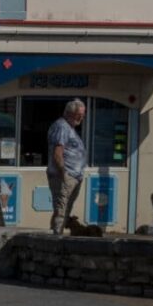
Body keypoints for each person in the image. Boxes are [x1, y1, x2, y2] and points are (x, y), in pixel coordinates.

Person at [46, 99, 89, 235]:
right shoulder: (62, 126)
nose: (82, 118)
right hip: (65, 175)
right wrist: (64, 173)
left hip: (74, 176)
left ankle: (59, 236)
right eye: (79, 115)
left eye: (83, 114)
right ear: (70, 113)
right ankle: (56, 238)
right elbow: (58, 153)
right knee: (61, 208)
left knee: (66, 209)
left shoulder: (70, 128)